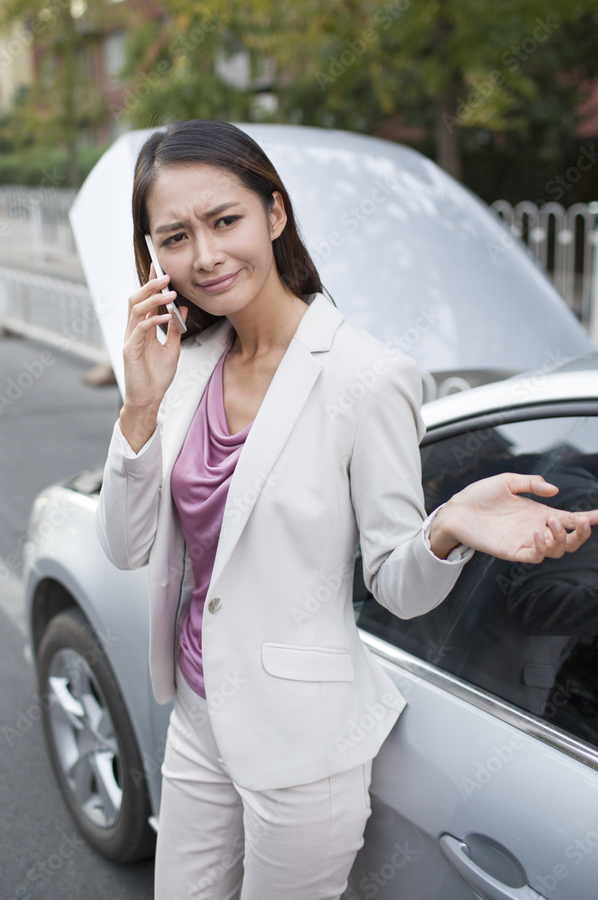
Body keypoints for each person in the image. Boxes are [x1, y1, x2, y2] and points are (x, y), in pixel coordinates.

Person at [95, 118, 598, 900]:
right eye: (174, 237)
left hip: (302, 747)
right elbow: (127, 548)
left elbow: (395, 585)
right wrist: (138, 407)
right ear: (153, 254)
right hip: (196, 716)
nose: (204, 256)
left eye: (224, 220)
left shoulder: (366, 376)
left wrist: (444, 530)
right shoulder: (183, 366)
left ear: (274, 213)